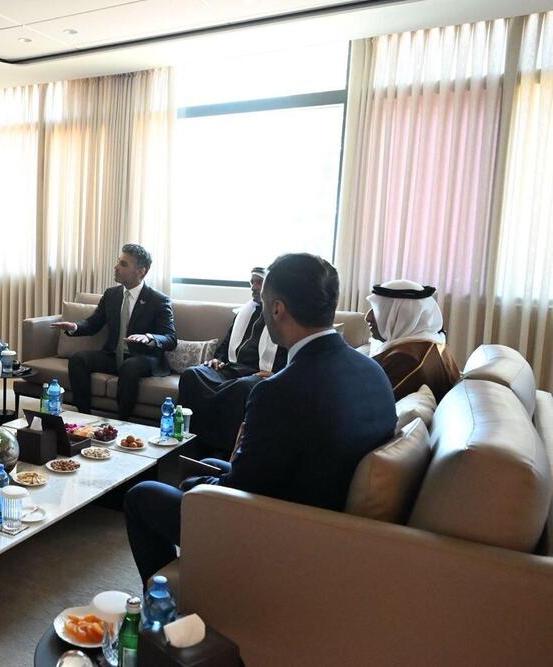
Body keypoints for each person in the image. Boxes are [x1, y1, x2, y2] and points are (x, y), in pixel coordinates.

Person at [124, 253, 396, 583]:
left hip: (282, 531)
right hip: (325, 515)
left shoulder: (279, 390)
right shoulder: (374, 372)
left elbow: (240, 491)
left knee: (142, 496)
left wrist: (197, 485)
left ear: (277, 308)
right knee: (209, 462)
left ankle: (166, 607)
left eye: (264, 302)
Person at [51, 244, 177, 420]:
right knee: (78, 359)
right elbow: (94, 323)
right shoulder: (111, 295)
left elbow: (170, 338)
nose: (116, 267)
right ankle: (85, 416)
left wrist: (149, 337)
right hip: (113, 355)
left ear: (141, 271)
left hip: (144, 358)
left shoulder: (158, 300)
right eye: (118, 262)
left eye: (123, 264)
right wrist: (75, 327)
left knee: (129, 366)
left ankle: (122, 422)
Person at [178, 267, 287, 456]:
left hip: (258, 373)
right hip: (231, 368)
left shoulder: (281, 317)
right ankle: (189, 443)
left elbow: (288, 352)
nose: (253, 287)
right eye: (252, 282)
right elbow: (225, 345)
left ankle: (221, 450)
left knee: (242, 388)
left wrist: (277, 372)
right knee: (192, 374)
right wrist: (217, 360)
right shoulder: (243, 313)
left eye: (259, 282)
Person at [366, 280, 461, 401]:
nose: (368, 317)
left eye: (377, 311)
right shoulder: (432, 342)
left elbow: (373, 403)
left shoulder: (406, 359)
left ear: (403, 316)